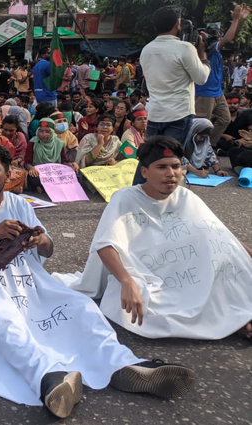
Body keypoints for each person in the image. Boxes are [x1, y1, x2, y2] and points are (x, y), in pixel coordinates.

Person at [0, 143, 196, 419]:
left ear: (8, 174)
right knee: (6, 320)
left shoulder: (18, 204)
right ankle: (48, 378)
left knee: (79, 306)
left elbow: (47, 250)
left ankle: (122, 365)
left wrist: (42, 239)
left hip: (27, 277)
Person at [60, 136, 252, 340]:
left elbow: (219, 235)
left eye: (176, 167)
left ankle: (237, 318)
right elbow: (105, 244)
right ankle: (231, 321)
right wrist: (126, 281)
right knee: (149, 308)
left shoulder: (186, 197)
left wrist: (246, 253)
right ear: (144, 171)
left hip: (183, 270)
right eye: (161, 167)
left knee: (229, 263)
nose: (171, 174)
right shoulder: (125, 198)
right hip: (146, 271)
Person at [140, 6, 210, 147]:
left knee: (150, 157)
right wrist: (203, 55)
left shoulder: (146, 50)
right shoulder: (184, 48)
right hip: (179, 113)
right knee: (170, 157)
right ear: (178, 24)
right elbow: (201, 78)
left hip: (155, 113)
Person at [195, 5, 251, 148]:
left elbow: (231, 37)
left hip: (217, 92)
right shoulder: (208, 49)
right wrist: (235, 20)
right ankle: (198, 151)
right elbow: (229, 37)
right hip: (205, 94)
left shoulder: (215, 49)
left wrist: (241, 21)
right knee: (202, 127)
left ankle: (208, 147)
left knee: (225, 119)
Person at [23, 118, 78, 192]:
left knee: (74, 174)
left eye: (47, 132)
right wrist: (31, 168)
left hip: (55, 173)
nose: (44, 134)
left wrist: (70, 165)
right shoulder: (33, 143)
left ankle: (44, 188)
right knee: (33, 178)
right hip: (39, 173)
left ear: (52, 132)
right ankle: (43, 187)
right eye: (41, 131)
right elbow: (27, 162)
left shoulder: (59, 144)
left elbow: (63, 162)